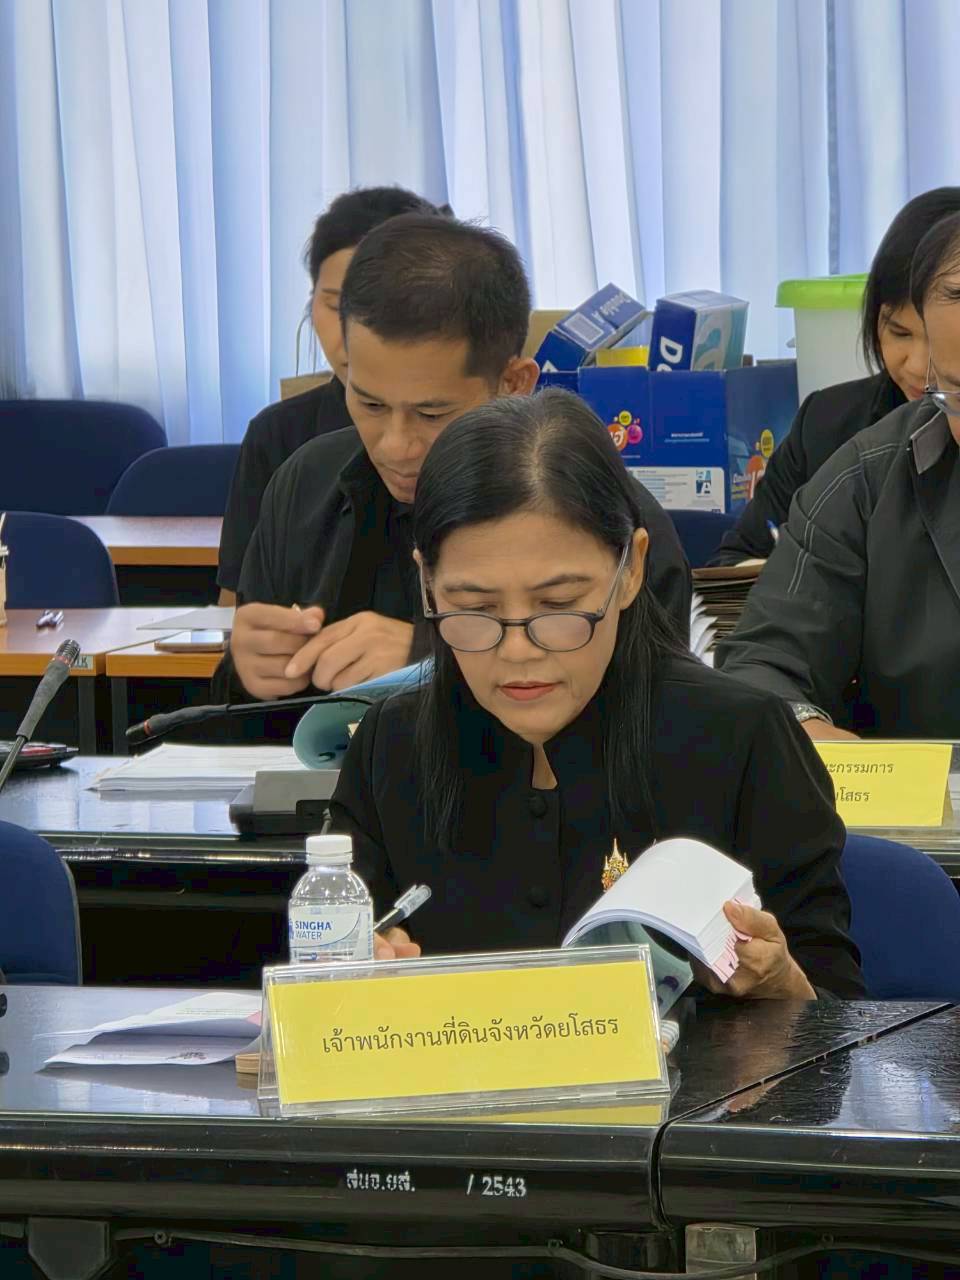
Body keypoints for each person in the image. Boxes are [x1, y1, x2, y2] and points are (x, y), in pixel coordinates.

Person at [329, 389, 864, 1000]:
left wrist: (783, 983)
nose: (518, 650)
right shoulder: (388, 747)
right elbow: (336, 969)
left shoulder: (744, 741)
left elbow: (842, 1019)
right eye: (473, 608)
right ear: (426, 579)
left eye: (558, 605)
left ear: (631, 567)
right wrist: (348, 972)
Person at [217, 215, 691, 703]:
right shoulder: (303, 485)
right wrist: (249, 669)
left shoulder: (605, 517)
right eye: (370, 404)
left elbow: (650, 730)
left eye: (431, 412)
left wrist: (428, 657)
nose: (395, 446)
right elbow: (234, 729)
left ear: (514, 384)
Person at [715, 211, 960, 741]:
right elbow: (763, 665)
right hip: (917, 815)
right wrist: (805, 730)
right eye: (956, 392)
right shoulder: (865, 476)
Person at [711, 187, 960, 566]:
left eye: (937, 338)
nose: (916, 366)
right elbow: (735, 559)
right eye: (899, 333)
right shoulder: (826, 424)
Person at [217, 186, 441, 602]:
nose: (351, 331)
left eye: (431, 412)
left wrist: (416, 651)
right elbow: (240, 613)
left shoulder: (490, 436)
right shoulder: (279, 436)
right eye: (336, 304)